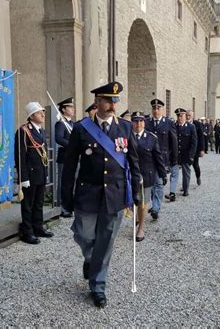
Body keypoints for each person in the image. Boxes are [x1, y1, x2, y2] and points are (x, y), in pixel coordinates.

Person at [61, 82, 142, 308]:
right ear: (97, 102)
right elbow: (69, 166)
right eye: (108, 100)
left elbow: (133, 163)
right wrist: (65, 198)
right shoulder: (81, 128)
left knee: (106, 242)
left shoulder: (125, 128)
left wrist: (135, 193)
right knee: (84, 235)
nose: (112, 106)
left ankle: (98, 286)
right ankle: (90, 259)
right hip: (87, 193)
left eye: (115, 101)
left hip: (115, 195)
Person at [15, 102, 53, 245]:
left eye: (43, 111)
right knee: (28, 204)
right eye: (39, 112)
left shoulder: (41, 131)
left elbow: (43, 153)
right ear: (31, 116)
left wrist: (46, 172)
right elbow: (20, 156)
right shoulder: (23, 131)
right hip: (29, 175)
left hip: (40, 172)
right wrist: (23, 177)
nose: (43, 114)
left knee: (39, 202)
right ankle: (27, 231)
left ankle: (38, 227)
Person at [131, 111, 167, 237]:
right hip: (130, 175)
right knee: (132, 200)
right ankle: (136, 218)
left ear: (144, 123)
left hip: (146, 174)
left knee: (142, 202)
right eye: (135, 121)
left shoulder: (151, 138)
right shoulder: (126, 136)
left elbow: (158, 157)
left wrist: (162, 174)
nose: (138, 124)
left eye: (140, 121)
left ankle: (141, 227)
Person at [145, 99, 178, 210]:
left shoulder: (168, 123)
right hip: (148, 159)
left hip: (162, 159)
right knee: (150, 183)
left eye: (158, 108)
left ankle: (156, 208)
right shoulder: (147, 122)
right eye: (154, 108)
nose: (156, 111)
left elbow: (174, 142)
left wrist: (174, 160)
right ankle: (154, 202)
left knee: (159, 183)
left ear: (162, 110)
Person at [55, 97, 75, 218]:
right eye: (70, 107)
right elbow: (59, 138)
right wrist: (72, 145)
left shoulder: (72, 124)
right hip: (65, 156)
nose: (72, 109)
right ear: (63, 109)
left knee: (71, 182)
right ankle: (63, 207)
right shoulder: (61, 124)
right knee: (64, 183)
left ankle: (70, 206)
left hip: (73, 157)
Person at [175, 108, 197, 196]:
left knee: (186, 172)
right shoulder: (174, 126)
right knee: (174, 172)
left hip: (186, 153)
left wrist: (191, 155)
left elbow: (194, 142)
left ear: (185, 116)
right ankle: (172, 190)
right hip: (176, 153)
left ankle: (185, 189)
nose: (179, 118)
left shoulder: (191, 127)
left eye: (181, 116)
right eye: (178, 116)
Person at [186, 110, 205, 186]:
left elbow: (201, 137)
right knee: (186, 167)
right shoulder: (184, 124)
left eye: (189, 115)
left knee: (195, 165)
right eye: (187, 115)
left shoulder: (197, 124)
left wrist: (202, 149)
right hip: (186, 149)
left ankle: (198, 176)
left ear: (192, 116)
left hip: (195, 149)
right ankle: (186, 184)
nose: (187, 117)